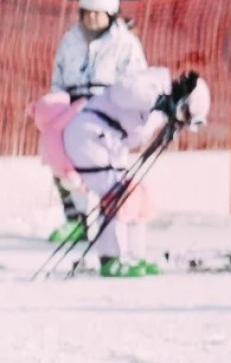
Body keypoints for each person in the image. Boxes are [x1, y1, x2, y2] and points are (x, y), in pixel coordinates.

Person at [33, 69, 210, 277]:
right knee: (117, 195)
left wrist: (164, 121)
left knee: (138, 195)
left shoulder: (160, 111)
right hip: (88, 137)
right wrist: (156, 101)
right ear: (182, 100)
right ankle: (111, 259)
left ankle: (134, 256)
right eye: (183, 115)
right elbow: (121, 91)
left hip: (105, 143)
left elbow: (132, 136)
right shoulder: (153, 86)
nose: (180, 121)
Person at [47, 0, 148, 243]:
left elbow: (136, 83)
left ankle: (114, 222)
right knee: (62, 164)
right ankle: (75, 221)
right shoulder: (70, 40)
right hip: (72, 112)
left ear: (111, 15)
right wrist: (56, 105)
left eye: (98, 13)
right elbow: (59, 75)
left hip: (107, 115)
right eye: (87, 12)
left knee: (107, 171)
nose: (92, 18)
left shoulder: (125, 44)